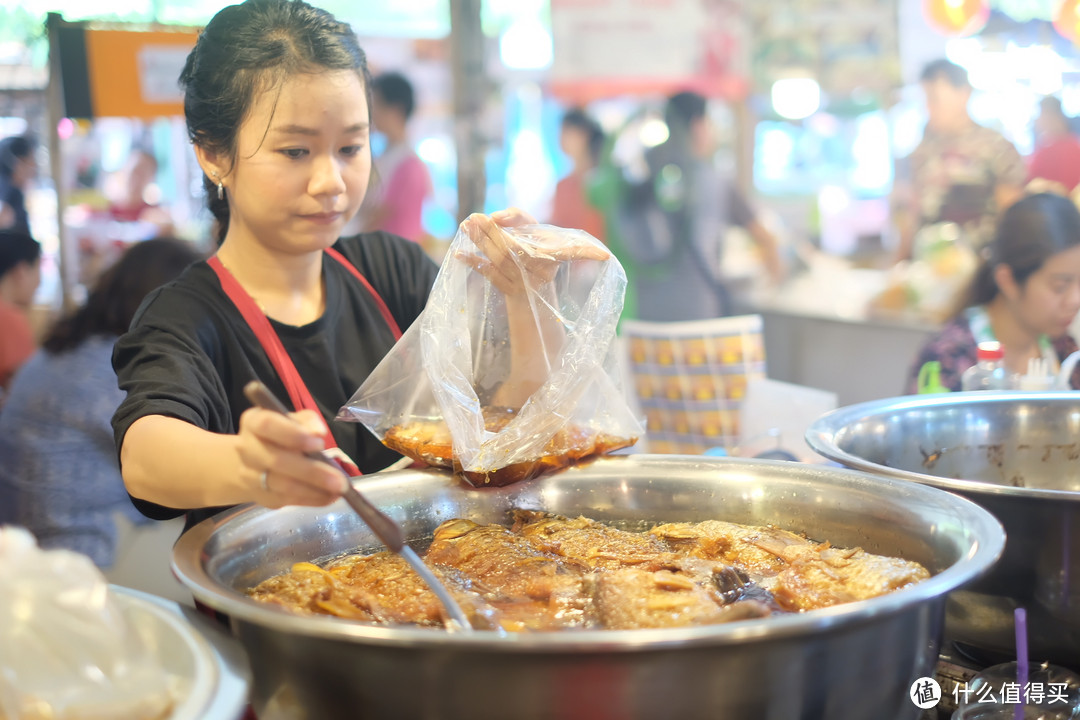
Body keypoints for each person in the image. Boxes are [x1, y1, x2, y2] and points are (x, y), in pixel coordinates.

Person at [111, 0, 599, 532]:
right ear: (213, 154)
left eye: (350, 146)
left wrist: (527, 300)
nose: (331, 181)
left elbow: (509, 424)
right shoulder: (186, 316)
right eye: (296, 151)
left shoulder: (392, 269)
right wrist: (254, 467)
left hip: (442, 589)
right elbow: (146, 455)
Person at [0, 238, 202, 567]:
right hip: (81, 555)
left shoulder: (67, 348)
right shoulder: (115, 370)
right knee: (225, 546)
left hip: (25, 542)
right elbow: (185, 470)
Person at [615, 90, 782, 322]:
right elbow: (763, 236)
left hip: (646, 318)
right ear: (698, 125)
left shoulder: (641, 175)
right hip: (697, 319)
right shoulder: (714, 182)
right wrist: (775, 283)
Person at [905, 193, 1080, 393]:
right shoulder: (949, 359)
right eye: (1059, 286)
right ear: (1008, 280)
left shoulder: (1062, 349)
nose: (1075, 300)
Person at [891, 59, 1026, 263]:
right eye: (925, 100)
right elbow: (912, 212)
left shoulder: (995, 146)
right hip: (929, 269)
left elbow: (1012, 214)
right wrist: (899, 262)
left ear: (963, 94)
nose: (928, 108)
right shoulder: (922, 150)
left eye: (934, 99)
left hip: (981, 267)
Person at [360, 71, 433, 243]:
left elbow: (378, 215)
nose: (372, 113)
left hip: (395, 256)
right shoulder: (386, 156)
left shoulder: (409, 165)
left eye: (377, 104)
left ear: (396, 109)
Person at [550, 108, 606, 243]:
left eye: (566, 132)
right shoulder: (563, 185)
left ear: (584, 135)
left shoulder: (600, 183)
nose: (560, 138)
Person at [0, 229, 40, 394]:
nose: (39, 282)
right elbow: (27, 391)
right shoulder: (9, 319)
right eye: (38, 270)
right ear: (21, 272)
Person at [1028, 96, 1080, 194]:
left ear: (1051, 116)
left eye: (1039, 115)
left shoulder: (1069, 148)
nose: (1036, 120)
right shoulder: (1044, 146)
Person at [0, 134, 38, 236]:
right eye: (31, 158)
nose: (34, 165)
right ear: (19, 163)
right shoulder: (8, 198)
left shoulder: (13, 193)